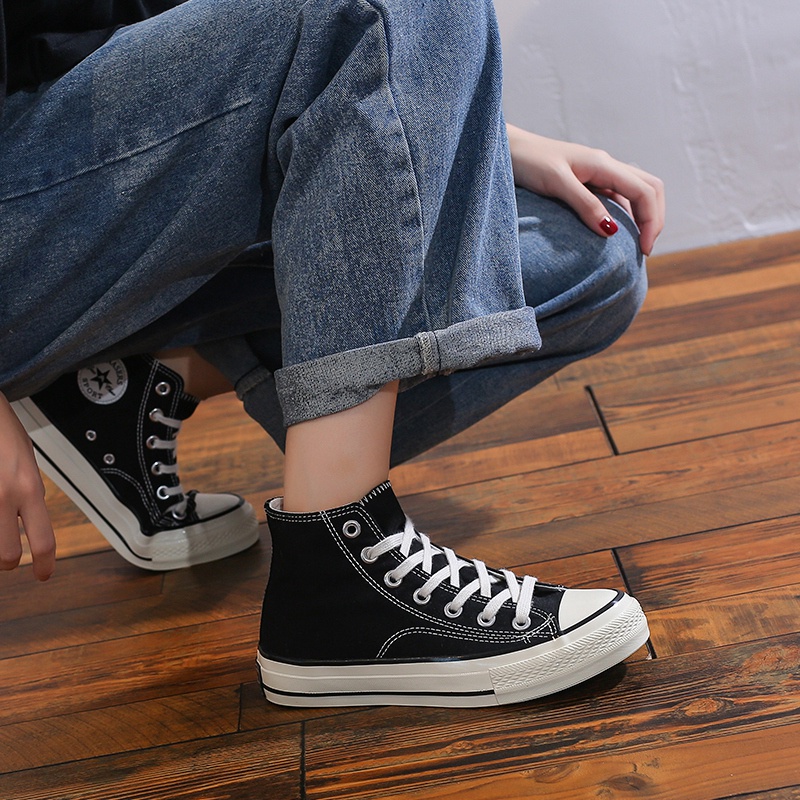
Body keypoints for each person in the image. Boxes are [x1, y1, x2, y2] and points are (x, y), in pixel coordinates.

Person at [0, 0, 664, 707]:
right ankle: (336, 566)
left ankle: (110, 392)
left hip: (100, 183)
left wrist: (472, 126)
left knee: (592, 259)